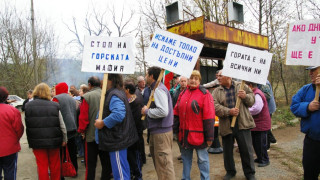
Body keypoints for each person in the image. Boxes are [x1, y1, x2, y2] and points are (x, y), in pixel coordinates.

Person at [212, 70, 256, 180]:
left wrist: (245, 96)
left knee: (246, 150)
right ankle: (230, 172)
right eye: (217, 76)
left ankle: (250, 173)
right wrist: (228, 111)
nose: (218, 78)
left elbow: (252, 100)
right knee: (227, 151)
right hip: (226, 124)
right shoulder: (217, 91)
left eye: (221, 76)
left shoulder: (242, 86)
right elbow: (214, 106)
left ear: (229, 76)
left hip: (242, 123)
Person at [95, 74, 139, 180]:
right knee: (121, 170)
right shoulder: (116, 92)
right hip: (117, 139)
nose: (101, 81)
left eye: (103, 78)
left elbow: (119, 114)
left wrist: (103, 123)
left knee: (120, 174)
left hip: (116, 140)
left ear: (110, 80)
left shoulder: (114, 94)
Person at [173, 70, 215, 180]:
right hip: (184, 134)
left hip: (200, 136)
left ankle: (205, 178)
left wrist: (210, 136)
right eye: (191, 78)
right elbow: (176, 112)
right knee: (186, 158)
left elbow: (209, 117)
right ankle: (185, 178)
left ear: (199, 81)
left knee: (202, 159)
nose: (193, 80)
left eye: (196, 79)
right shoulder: (182, 93)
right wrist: (175, 130)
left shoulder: (205, 94)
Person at [24, 83, 67, 180]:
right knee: (55, 165)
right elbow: (62, 125)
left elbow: (28, 124)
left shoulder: (28, 106)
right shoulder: (55, 105)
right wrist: (64, 138)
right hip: (54, 141)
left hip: (37, 141)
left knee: (42, 166)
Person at [141, 66, 176, 179]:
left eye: (147, 75)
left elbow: (163, 111)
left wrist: (147, 111)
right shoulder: (155, 88)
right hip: (159, 131)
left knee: (164, 165)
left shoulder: (158, 89)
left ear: (151, 76)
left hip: (161, 133)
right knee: (161, 165)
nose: (146, 77)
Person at [78, 76, 112, 180]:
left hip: (91, 136)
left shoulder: (87, 97)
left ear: (89, 85)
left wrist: (82, 131)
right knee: (106, 163)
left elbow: (83, 118)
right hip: (105, 134)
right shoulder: (108, 94)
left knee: (90, 165)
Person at [290, 66, 320, 180]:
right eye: (309, 71)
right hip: (311, 141)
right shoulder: (305, 89)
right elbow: (294, 106)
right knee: (310, 173)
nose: (310, 73)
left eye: (313, 70)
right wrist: (308, 107)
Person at [53, 82, 78, 176]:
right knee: (72, 151)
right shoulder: (71, 99)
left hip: (62, 129)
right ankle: (74, 171)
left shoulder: (56, 99)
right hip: (73, 127)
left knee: (61, 153)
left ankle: (62, 173)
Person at [0, 87, 24, 180]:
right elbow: (19, 129)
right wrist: (14, 140)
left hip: (9, 146)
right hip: (9, 148)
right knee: (10, 171)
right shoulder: (12, 110)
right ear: (6, 97)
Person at [246, 81, 271, 167]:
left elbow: (257, 109)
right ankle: (260, 158)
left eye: (246, 86)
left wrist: (245, 111)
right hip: (257, 123)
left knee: (261, 143)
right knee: (256, 142)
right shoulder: (254, 93)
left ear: (250, 86)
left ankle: (265, 159)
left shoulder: (257, 94)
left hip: (261, 123)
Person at [124, 79, 145, 180]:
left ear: (127, 90)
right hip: (129, 135)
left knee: (136, 157)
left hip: (135, 135)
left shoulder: (136, 102)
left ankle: (138, 176)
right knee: (131, 157)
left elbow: (136, 121)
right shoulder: (129, 100)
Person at [257, 80, 277, 149]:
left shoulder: (264, 82)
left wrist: (256, 95)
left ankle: (267, 146)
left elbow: (267, 95)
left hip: (268, 108)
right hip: (265, 108)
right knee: (266, 127)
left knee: (265, 127)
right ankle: (273, 140)